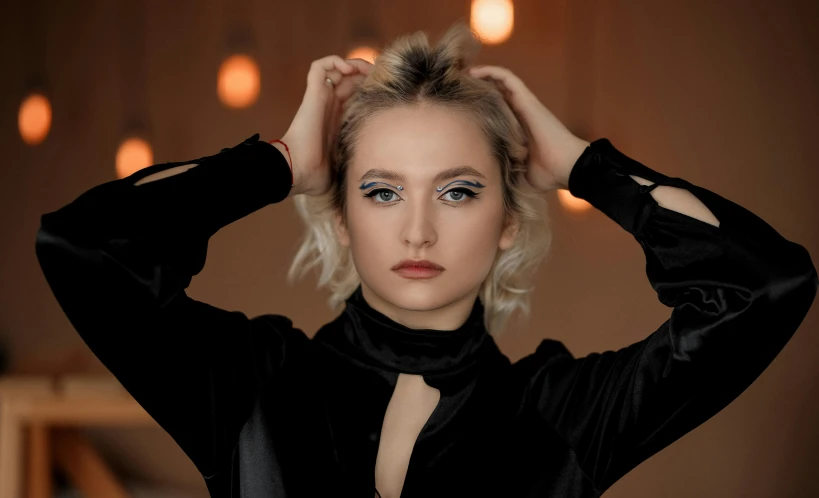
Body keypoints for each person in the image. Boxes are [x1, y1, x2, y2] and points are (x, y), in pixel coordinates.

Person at [35, 22, 817, 498]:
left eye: (456, 193)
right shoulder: (249, 386)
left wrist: (586, 166)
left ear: (507, 221)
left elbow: (763, 284)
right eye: (379, 193)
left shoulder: (563, 416)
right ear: (339, 219)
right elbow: (83, 246)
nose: (416, 232)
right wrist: (276, 161)